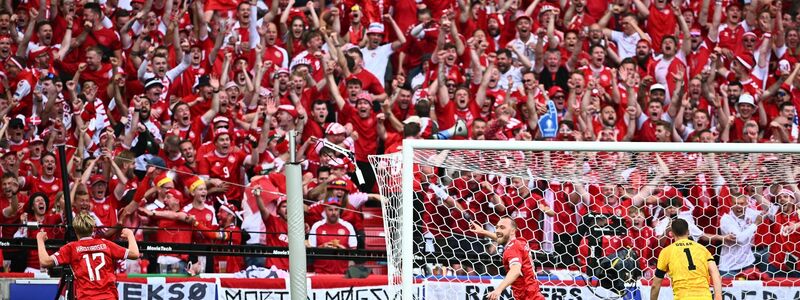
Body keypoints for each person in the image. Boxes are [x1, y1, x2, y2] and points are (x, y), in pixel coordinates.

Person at [36, 212, 139, 300]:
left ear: (75, 230)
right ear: (93, 228)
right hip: (109, 297)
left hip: (86, 297)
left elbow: (45, 262)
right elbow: (135, 254)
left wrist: (40, 240)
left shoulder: (71, 248)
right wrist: (130, 234)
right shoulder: (105, 244)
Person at [470, 216, 544, 300]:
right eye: (497, 227)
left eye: (502, 228)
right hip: (532, 295)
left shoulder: (512, 248)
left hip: (528, 297)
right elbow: (502, 237)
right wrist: (482, 231)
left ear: (513, 231)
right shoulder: (520, 241)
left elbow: (515, 270)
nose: (498, 230)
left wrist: (498, 290)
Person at [650, 218, 722, 300]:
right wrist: (718, 296)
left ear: (672, 233)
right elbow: (715, 274)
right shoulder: (702, 249)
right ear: (688, 231)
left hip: (683, 296)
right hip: (704, 296)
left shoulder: (667, 252)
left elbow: (655, 285)